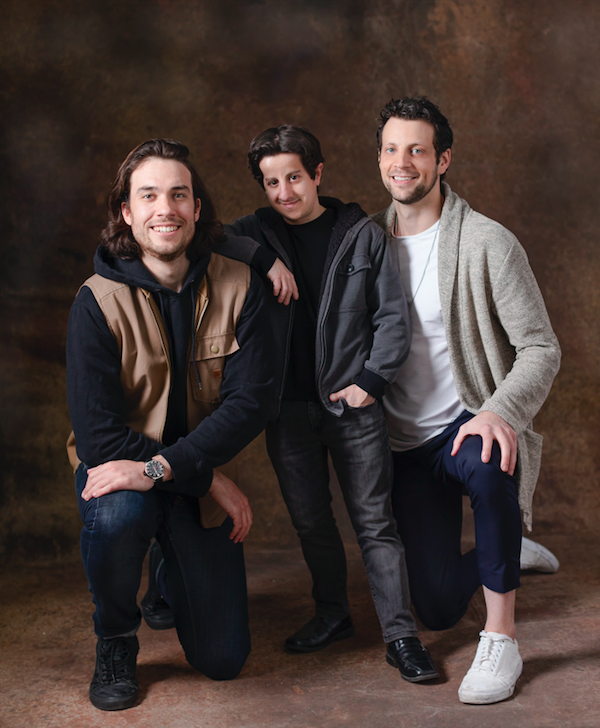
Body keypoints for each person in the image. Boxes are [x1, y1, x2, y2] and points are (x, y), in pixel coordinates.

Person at [217, 124, 438, 682]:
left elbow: (393, 319)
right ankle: (333, 614)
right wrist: (262, 259)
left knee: (375, 523)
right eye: (271, 182)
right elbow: (205, 236)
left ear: (317, 173)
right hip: (287, 412)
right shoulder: (256, 231)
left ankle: (401, 637)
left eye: (294, 177)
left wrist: (370, 381)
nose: (284, 192)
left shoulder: (362, 235)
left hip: (353, 408)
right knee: (311, 523)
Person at [66, 139, 273, 711]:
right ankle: (115, 639)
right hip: (125, 475)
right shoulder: (96, 301)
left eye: (179, 195)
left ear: (197, 208)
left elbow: (249, 405)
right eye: (149, 195)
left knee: (223, 659)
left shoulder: (240, 286)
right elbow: (99, 436)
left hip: (183, 471)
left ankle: (166, 571)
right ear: (127, 212)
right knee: (117, 515)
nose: (166, 209)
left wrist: (166, 468)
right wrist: (203, 477)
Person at [372, 97, 561, 704]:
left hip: (464, 421)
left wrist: (498, 411)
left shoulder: (487, 242)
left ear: (443, 159)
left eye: (417, 150)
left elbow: (541, 347)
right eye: (391, 149)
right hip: (403, 442)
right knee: (435, 608)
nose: (403, 162)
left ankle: (502, 638)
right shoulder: (365, 244)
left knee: (491, 456)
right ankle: (504, 550)